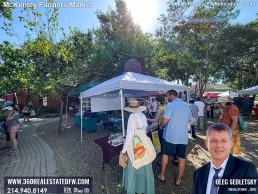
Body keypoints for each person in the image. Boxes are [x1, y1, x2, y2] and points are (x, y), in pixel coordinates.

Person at [192, 123, 257, 194]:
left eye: (224, 141)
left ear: (231, 144)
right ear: (206, 143)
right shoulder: (199, 173)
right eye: (214, 140)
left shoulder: (246, 170)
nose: (219, 145)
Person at [155, 90, 192, 186]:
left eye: (168, 96)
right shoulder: (186, 105)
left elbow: (165, 120)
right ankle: (178, 180)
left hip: (170, 135)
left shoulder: (171, 105)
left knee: (165, 154)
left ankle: (162, 175)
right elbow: (189, 120)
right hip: (182, 136)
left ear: (171, 96)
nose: (167, 98)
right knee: (181, 157)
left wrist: (161, 126)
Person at [121, 100, 155, 194]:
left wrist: (124, 150)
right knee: (144, 164)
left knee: (134, 165)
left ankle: (134, 188)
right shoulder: (143, 115)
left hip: (134, 144)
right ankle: (144, 188)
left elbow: (130, 135)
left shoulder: (132, 116)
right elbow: (145, 130)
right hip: (143, 142)